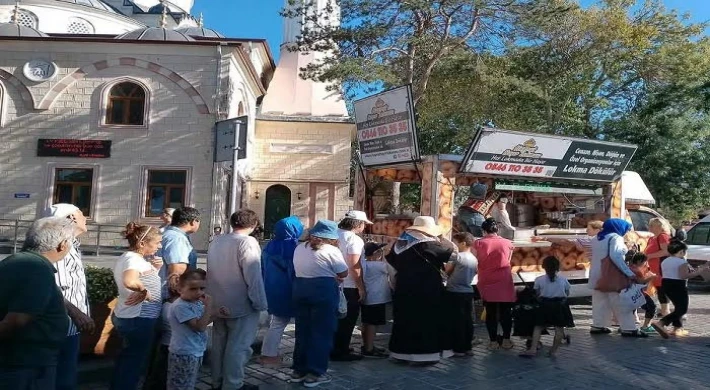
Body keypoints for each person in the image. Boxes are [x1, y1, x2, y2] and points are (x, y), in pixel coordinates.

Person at [0, 217, 73, 390]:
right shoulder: (36, 268)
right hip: (26, 364)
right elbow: (16, 320)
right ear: (62, 245)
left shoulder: (16, 261)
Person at [207, 209, 266, 390]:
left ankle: (217, 381)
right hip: (241, 303)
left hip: (217, 301)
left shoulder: (216, 241)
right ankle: (232, 384)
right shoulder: (247, 242)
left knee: (219, 345)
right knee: (238, 347)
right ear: (254, 224)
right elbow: (253, 276)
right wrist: (260, 303)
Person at [386, 216, 455, 363]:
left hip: (404, 288)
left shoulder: (399, 244)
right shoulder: (429, 245)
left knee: (404, 321)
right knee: (425, 321)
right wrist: (444, 240)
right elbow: (454, 255)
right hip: (427, 290)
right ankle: (424, 356)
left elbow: (391, 267)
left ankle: (400, 354)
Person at [291, 220, 348, 387]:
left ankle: (298, 369)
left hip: (300, 288)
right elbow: (343, 272)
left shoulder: (300, 247)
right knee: (321, 332)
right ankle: (315, 372)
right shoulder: (330, 250)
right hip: (322, 290)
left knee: (302, 331)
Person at [110, 222, 164, 390]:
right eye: (156, 243)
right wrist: (143, 290)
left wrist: (154, 269)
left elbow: (139, 276)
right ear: (142, 243)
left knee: (129, 358)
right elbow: (130, 281)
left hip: (135, 317)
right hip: (138, 319)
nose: (159, 246)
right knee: (133, 362)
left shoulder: (134, 258)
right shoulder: (132, 259)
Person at [47, 204, 94, 390]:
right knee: (62, 378)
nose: (85, 218)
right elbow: (54, 286)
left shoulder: (71, 245)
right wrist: (77, 313)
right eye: (82, 213)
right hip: (62, 324)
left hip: (70, 324)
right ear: (72, 219)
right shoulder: (60, 248)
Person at [588, 219, 646, 337]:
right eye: (626, 228)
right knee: (621, 302)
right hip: (612, 276)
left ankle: (598, 325)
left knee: (599, 302)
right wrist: (628, 272)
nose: (626, 231)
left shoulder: (597, 238)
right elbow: (616, 256)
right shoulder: (615, 238)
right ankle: (628, 328)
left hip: (596, 274)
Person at [259, 216, 304, 367]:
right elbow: (294, 271)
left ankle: (269, 354)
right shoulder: (291, 248)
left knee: (277, 322)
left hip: (271, 288)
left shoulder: (269, 246)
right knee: (282, 323)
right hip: (288, 290)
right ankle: (269, 356)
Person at [332, 210, 372, 361]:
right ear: (359, 224)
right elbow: (354, 265)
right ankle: (341, 350)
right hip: (349, 284)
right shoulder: (354, 239)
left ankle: (336, 346)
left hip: (334, 282)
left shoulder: (334, 234)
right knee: (347, 319)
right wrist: (361, 287)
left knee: (337, 318)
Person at [651, 240, 709, 338]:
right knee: (682, 309)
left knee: (678, 306)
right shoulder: (682, 262)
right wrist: (699, 272)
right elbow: (684, 276)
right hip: (678, 285)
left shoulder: (665, 260)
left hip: (666, 283)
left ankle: (677, 328)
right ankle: (661, 323)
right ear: (681, 251)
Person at [167, 269, 214, 390]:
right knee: (181, 385)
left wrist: (217, 315)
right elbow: (200, 327)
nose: (198, 292)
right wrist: (209, 307)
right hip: (184, 353)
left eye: (202, 289)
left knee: (189, 383)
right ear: (180, 289)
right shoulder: (180, 306)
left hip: (195, 350)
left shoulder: (195, 302)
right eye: (193, 289)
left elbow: (202, 321)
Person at [473, 218, 516, 350]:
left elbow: (476, 263)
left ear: (484, 230)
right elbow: (508, 260)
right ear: (497, 230)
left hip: (487, 280)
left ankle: (493, 342)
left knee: (490, 312)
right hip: (504, 280)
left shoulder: (478, 243)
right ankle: (507, 340)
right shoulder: (508, 243)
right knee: (506, 312)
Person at [520, 256, 574, 358]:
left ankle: (532, 350)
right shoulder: (563, 280)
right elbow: (567, 293)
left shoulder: (539, 280)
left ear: (544, 267)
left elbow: (537, 293)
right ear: (558, 267)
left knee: (538, 327)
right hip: (560, 306)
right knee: (559, 329)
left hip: (544, 305)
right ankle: (553, 351)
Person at [445, 232, 479, 357]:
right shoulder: (474, 258)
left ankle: (458, 348)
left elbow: (447, 270)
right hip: (468, 291)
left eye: (456, 242)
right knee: (468, 320)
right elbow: (475, 272)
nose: (455, 245)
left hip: (454, 291)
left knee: (456, 320)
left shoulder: (456, 256)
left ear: (463, 243)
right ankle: (467, 347)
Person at [360, 242, 392, 358]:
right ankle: (369, 348)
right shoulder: (378, 266)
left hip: (368, 297)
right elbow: (391, 269)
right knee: (373, 324)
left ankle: (367, 345)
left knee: (366, 322)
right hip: (377, 298)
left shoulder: (364, 264)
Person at [161, 206, 200, 294]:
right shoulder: (177, 238)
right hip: (171, 294)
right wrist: (178, 295)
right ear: (193, 222)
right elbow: (177, 269)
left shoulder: (168, 234)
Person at [645, 218, 672, 316]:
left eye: (652, 225)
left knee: (662, 290)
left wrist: (649, 256)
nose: (650, 227)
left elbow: (666, 251)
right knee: (659, 290)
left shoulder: (663, 237)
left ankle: (666, 312)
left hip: (661, 269)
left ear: (660, 227)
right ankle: (665, 312)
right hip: (653, 269)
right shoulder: (653, 238)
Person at [627, 251, 657, 333]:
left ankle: (626, 325)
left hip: (628, 293)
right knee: (651, 306)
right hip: (638, 294)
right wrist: (652, 277)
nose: (646, 264)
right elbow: (641, 282)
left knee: (631, 310)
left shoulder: (628, 268)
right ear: (639, 261)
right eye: (645, 262)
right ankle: (646, 326)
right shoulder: (637, 270)